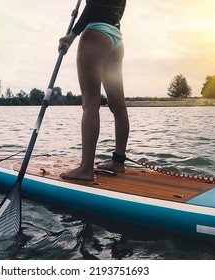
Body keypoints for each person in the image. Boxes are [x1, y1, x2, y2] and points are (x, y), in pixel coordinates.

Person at [59, 0, 130, 181]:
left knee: (90, 103)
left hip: (96, 35)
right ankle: (118, 162)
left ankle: (85, 169)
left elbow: (92, 6)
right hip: (116, 37)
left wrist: (72, 35)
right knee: (118, 105)